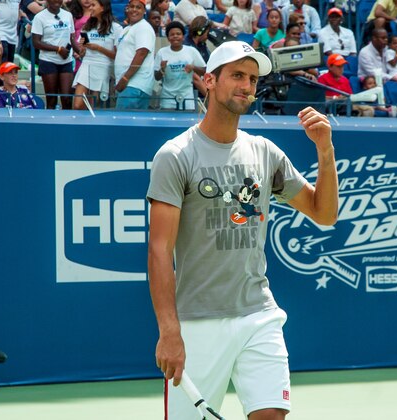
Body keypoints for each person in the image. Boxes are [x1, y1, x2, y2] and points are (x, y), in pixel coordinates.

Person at [147, 40, 338, 420]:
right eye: (237, 75)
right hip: (197, 322)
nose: (247, 85)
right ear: (208, 81)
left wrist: (325, 152)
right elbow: (159, 250)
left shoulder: (266, 152)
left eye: (252, 79)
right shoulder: (175, 156)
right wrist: (169, 331)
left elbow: (324, 213)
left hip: (259, 315)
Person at [32, 0, 82, 109]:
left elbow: (72, 38)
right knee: (51, 99)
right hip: (48, 61)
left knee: (67, 98)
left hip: (66, 61)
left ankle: (68, 124)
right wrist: (58, 49)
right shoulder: (39, 17)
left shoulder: (68, 15)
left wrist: (79, 51)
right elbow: (36, 42)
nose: (57, 1)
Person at [72, 0, 121, 109]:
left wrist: (98, 48)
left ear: (103, 7)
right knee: (77, 104)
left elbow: (117, 56)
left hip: (103, 67)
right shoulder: (88, 26)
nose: (90, 8)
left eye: (93, 5)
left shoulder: (116, 28)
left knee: (94, 106)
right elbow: (81, 54)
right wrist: (82, 49)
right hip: (86, 65)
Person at [154, 21, 206, 110]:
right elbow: (156, 77)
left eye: (178, 34)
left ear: (183, 37)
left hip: (187, 98)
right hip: (167, 100)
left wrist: (193, 67)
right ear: (168, 38)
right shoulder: (162, 52)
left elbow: (204, 70)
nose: (175, 36)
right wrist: (162, 69)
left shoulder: (191, 51)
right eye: (172, 34)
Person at [114, 0, 156, 109]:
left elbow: (142, 53)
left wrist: (125, 78)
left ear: (144, 11)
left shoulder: (143, 27)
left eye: (138, 7)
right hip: (127, 86)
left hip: (134, 85)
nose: (134, 10)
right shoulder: (127, 29)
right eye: (131, 6)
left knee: (123, 123)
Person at [69, 0, 93, 72]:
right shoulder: (73, 14)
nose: (87, 0)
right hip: (75, 51)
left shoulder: (98, 13)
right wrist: (74, 51)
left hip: (92, 50)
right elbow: (69, 34)